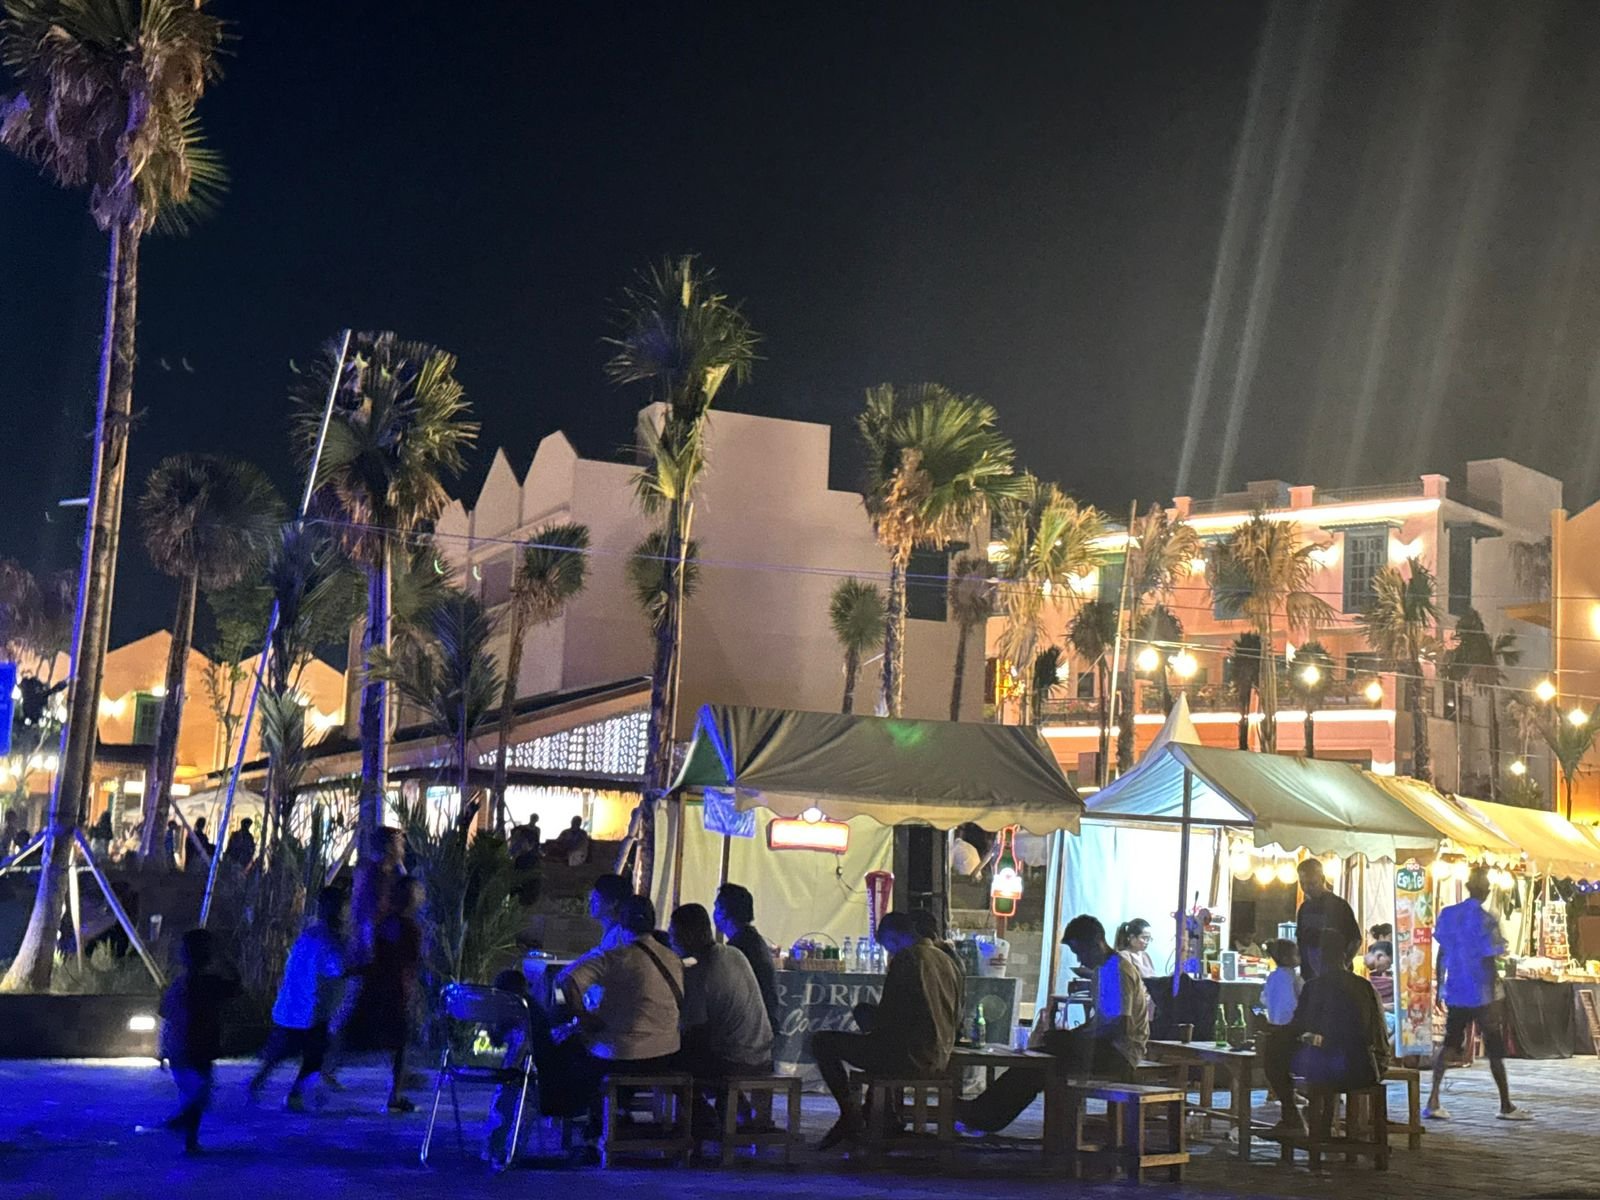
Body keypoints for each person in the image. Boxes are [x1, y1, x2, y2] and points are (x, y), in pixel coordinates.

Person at [955, 914, 1149, 1134]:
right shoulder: (1105, 971)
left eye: (1080, 952)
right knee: (1039, 1056)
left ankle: (984, 1115)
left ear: (1096, 944)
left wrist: (1075, 1037)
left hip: (1119, 1055)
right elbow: (1102, 1022)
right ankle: (983, 1113)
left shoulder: (1115, 972)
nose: (1080, 960)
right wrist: (1072, 1035)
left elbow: (1120, 1026)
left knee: (1038, 1064)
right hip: (1108, 1049)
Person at [811, 910, 962, 1149]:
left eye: (888, 948)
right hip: (939, 1053)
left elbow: (890, 1019)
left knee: (822, 1042)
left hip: (907, 1055)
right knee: (870, 1028)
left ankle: (850, 1114)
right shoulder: (947, 961)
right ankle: (879, 1112)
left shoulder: (908, 958)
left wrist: (868, 1021)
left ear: (893, 939)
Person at [541, 894, 684, 1124]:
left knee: (568, 1049)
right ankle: (618, 1112)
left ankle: (582, 1118)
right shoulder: (673, 958)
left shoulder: (614, 956)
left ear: (621, 923)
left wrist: (583, 1015)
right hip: (665, 1054)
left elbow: (566, 980)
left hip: (621, 1056)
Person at [1426, 866, 1531, 1122]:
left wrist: (1441, 985)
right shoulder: (1486, 920)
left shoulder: (1449, 915)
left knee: (1449, 1044)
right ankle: (1505, 1104)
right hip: (1481, 992)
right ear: (1486, 891)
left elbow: (1442, 952)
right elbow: (1489, 959)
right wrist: (1495, 994)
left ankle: (1433, 1099)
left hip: (1456, 989)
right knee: (1494, 1048)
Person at [1263, 930, 1391, 1137]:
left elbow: (1298, 1027)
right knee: (1323, 1050)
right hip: (1370, 1066)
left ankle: (1291, 1116)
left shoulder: (1316, 987)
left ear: (1315, 956)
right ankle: (1320, 1119)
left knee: (1274, 1048)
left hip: (1339, 1068)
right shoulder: (1364, 986)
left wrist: (1278, 1035)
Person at [248, 886, 347, 1111]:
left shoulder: (308, 935)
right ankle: (293, 1094)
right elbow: (338, 969)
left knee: (283, 1051)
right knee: (313, 1057)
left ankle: (259, 1081)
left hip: (294, 1006)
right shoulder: (328, 939)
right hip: (311, 1010)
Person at [156, 929, 239, 1154]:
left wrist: (162, 1050)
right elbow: (236, 985)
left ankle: (189, 1140)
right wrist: (225, 958)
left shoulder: (177, 986)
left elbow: (165, 1020)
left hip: (178, 1050)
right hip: (199, 1049)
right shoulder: (210, 984)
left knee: (191, 1094)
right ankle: (182, 1124)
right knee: (201, 1095)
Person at [346, 875, 424, 1113]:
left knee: (391, 1043)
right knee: (397, 1044)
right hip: (392, 989)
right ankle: (395, 1094)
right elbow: (407, 962)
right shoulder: (406, 927)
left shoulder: (386, 922)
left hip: (380, 986)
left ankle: (396, 1092)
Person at [669, 903, 774, 1079]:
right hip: (762, 1053)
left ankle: (695, 1099)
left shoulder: (702, 972)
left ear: (688, 935)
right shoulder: (734, 953)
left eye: (673, 933)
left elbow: (694, 1027)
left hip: (735, 1058)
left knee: (667, 1061)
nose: (671, 941)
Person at [714, 883, 781, 1041]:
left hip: (752, 1032)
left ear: (724, 911)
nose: (714, 913)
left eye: (716, 907)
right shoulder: (752, 940)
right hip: (763, 1026)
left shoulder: (739, 948)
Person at [484, 968, 535, 1167]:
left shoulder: (527, 1014)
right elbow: (498, 1041)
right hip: (517, 1071)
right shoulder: (518, 1015)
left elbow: (517, 1045)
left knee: (514, 1098)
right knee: (510, 1096)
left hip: (527, 1070)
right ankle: (502, 1148)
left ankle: (503, 1148)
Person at [1260, 938, 1304, 1129]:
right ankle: (1291, 1105)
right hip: (1292, 1029)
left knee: (1275, 1069)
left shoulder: (1272, 977)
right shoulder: (1294, 978)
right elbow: (1300, 999)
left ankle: (1289, 1106)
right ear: (1287, 958)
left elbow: (1264, 998)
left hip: (1275, 1027)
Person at [1294, 858, 1360, 979]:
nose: (1307, 888)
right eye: (1302, 883)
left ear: (1323, 879)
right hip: (1310, 978)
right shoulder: (1304, 908)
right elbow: (1300, 941)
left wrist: (1343, 966)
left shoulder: (1339, 906)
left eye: (1312, 883)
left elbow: (1356, 940)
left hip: (1336, 978)